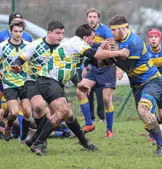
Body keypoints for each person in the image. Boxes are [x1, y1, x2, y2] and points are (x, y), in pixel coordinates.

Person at [12, 24, 129, 155]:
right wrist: (119, 52)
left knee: (68, 114)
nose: (93, 41)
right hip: (47, 80)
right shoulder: (76, 42)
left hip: (53, 82)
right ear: (85, 37)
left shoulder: (79, 46)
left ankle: (83, 142)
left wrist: (110, 58)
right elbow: (94, 54)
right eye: (92, 38)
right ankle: (38, 143)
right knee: (62, 111)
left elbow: (98, 63)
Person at [79, 14, 162, 155]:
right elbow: (102, 64)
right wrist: (107, 52)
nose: (112, 33)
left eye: (114, 30)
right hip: (137, 85)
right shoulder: (117, 42)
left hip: (151, 80)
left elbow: (128, 67)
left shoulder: (135, 42)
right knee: (145, 119)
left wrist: (113, 54)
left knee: (143, 111)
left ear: (122, 29)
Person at [11, 20, 65, 148]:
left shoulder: (62, 48)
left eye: (62, 33)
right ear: (49, 33)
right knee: (39, 107)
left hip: (52, 82)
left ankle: (35, 138)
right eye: (58, 33)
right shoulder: (35, 45)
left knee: (56, 115)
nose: (61, 36)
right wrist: (17, 66)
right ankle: (40, 141)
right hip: (33, 81)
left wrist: (78, 83)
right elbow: (19, 59)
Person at [77, 8, 123, 137]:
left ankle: (109, 130)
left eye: (94, 17)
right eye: (90, 16)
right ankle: (89, 123)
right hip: (93, 67)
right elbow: (86, 51)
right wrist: (85, 66)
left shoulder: (105, 31)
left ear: (98, 19)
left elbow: (113, 48)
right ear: (87, 18)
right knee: (80, 91)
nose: (92, 19)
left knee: (106, 100)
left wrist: (119, 68)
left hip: (107, 68)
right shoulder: (84, 31)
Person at [0, 21, 32, 142]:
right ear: (10, 31)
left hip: (25, 82)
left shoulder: (29, 45)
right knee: (13, 112)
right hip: (9, 83)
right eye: (15, 31)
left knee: (28, 112)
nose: (18, 34)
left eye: (20, 31)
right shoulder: (3, 46)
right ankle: (8, 126)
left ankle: (23, 138)